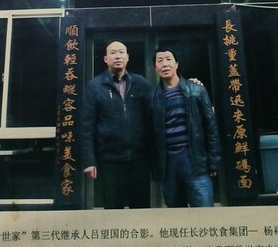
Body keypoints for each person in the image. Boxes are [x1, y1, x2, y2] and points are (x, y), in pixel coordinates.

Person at [80, 40, 153, 209]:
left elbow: (158, 106)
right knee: (113, 210)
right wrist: (89, 160)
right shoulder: (94, 86)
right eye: (113, 53)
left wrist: (189, 84)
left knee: (141, 210)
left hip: (139, 160)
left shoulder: (140, 83)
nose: (118, 56)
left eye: (121, 52)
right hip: (110, 161)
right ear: (106, 59)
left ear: (127, 57)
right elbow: (86, 126)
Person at [151, 47, 221, 208]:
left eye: (168, 59)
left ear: (176, 64)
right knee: (177, 215)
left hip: (195, 161)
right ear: (155, 68)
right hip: (169, 164)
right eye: (160, 61)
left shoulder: (197, 90)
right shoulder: (152, 97)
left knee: (204, 213)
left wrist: (213, 162)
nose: (165, 64)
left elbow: (211, 128)